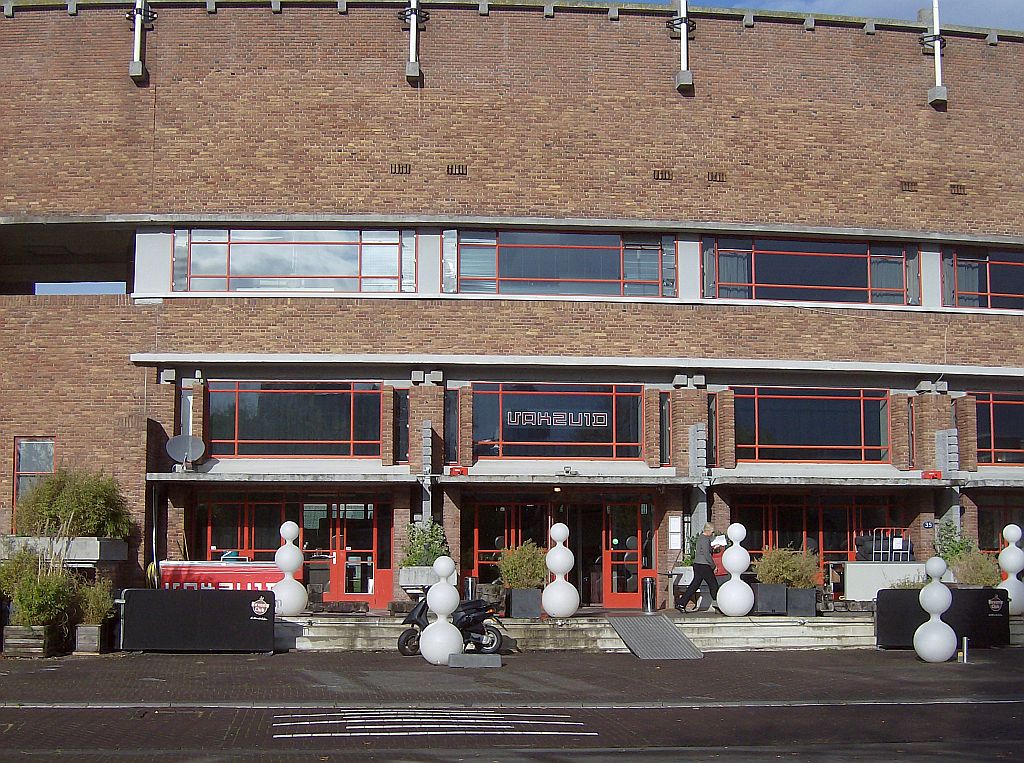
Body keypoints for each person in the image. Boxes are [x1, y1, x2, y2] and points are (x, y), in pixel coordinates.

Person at [676, 522, 721, 613]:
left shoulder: (701, 538)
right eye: (712, 532)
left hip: (698, 564)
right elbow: (706, 554)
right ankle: (718, 605)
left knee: (694, 585)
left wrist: (713, 548)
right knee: (713, 585)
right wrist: (713, 566)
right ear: (708, 531)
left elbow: (704, 551)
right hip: (704, 565)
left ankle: (681, 603)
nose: (712, 534)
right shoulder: (704, 539)